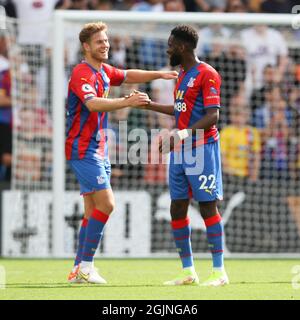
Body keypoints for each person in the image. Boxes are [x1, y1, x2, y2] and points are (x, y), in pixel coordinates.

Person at [66, 22, 177, 284]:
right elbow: (92, 104)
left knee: (92, 210)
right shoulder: (82, 73)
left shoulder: (103, 71)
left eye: (106, 41)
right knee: (107, 204)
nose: (105, 45)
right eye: (99, 42)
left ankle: (77, 269)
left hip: (98, 147)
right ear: (86, 46)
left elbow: (128, 75)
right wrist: (126, 101)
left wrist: (159, 76)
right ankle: (86, 266)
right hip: (83, 147)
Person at [144, 25, 228, 286]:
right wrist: (149, 104)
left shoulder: (207, 74)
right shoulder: (182, 75)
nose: (168, 48)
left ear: (182, 46)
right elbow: (180, 110)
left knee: (207, 207)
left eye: (170, 44)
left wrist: (180, 135)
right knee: (177, 206)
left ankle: (219, 272)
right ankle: (188, 271)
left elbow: (213, 116)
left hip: (202, 149)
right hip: (180, 151)